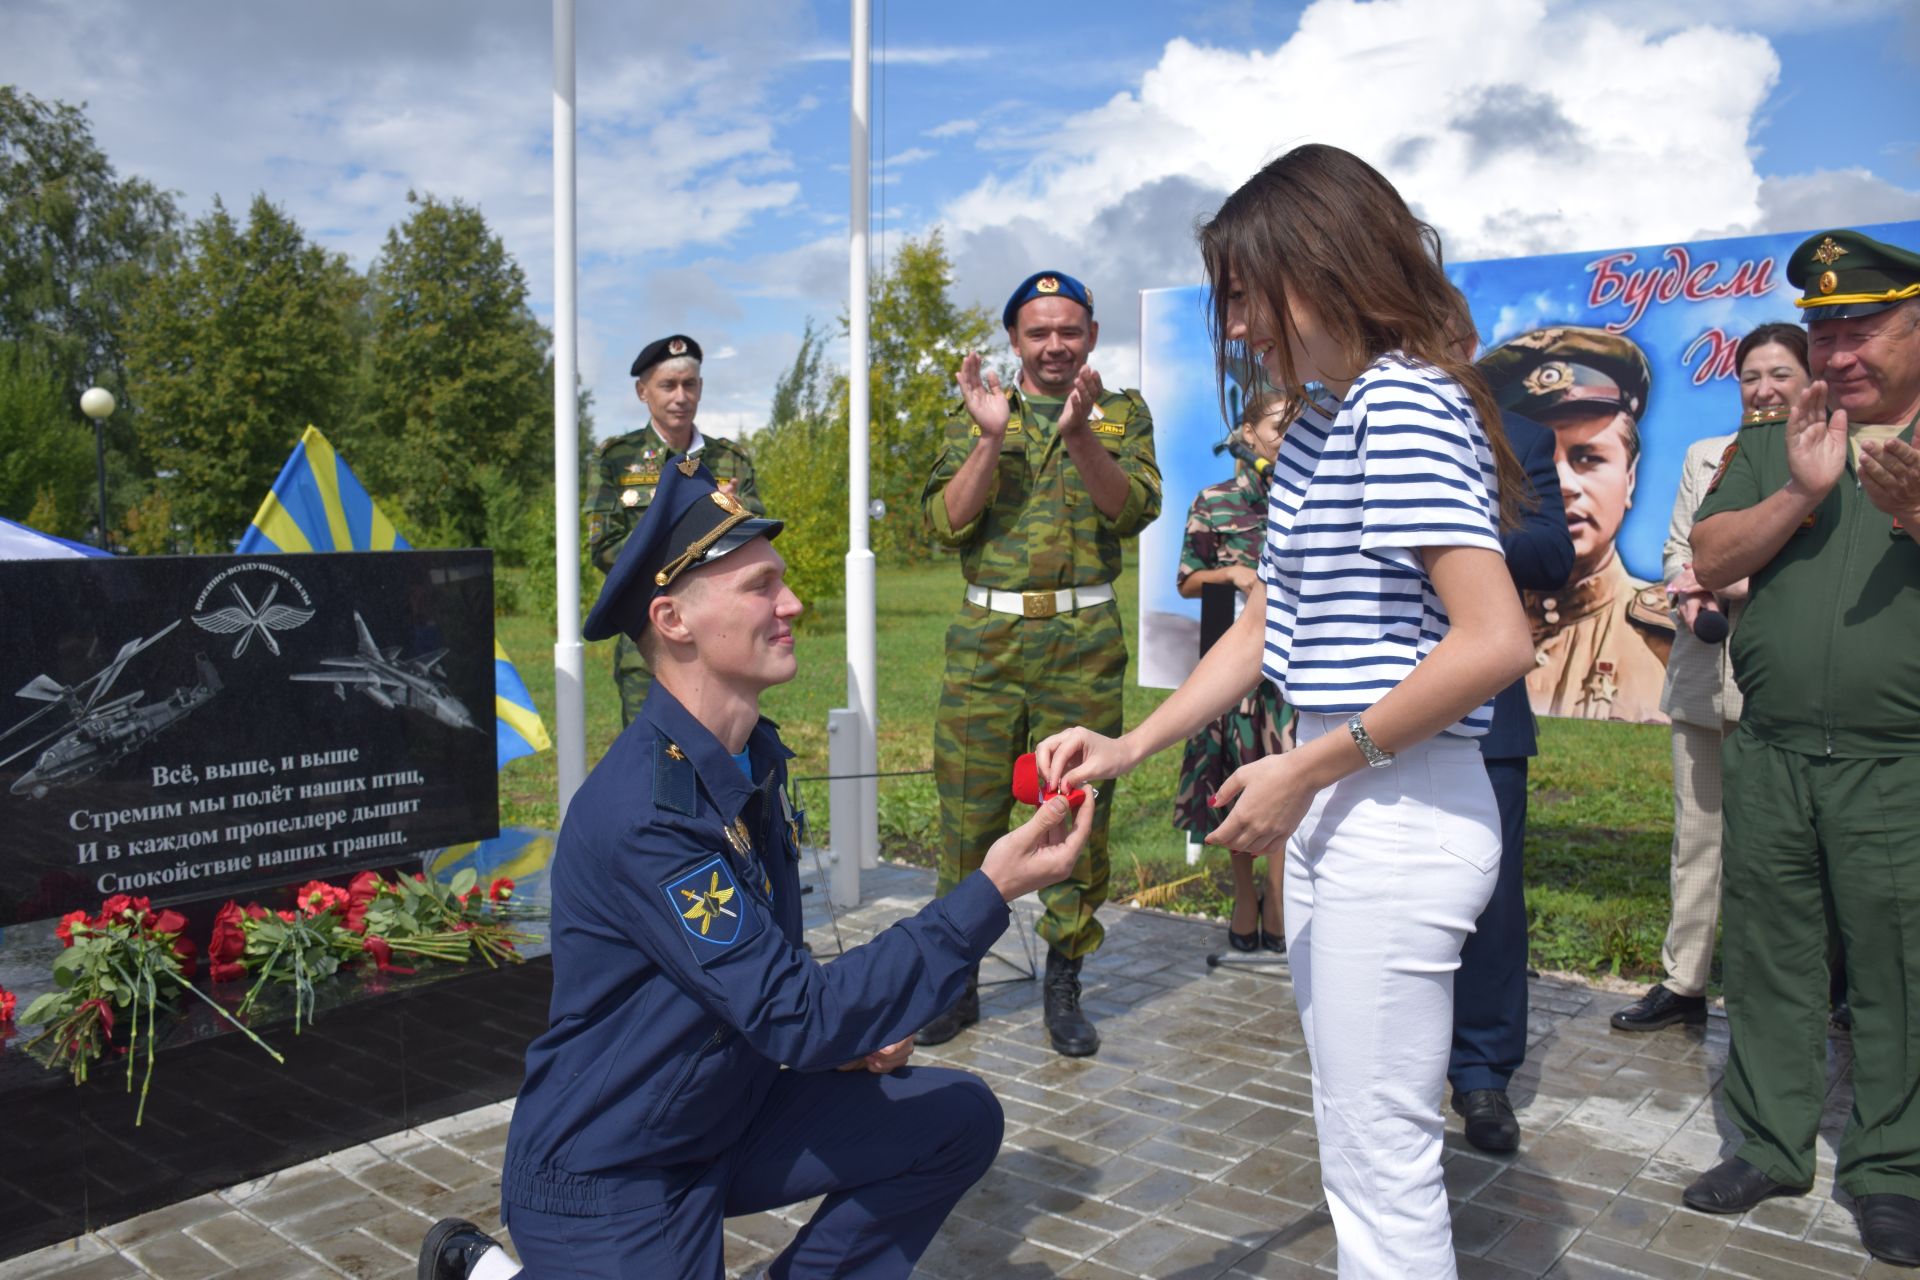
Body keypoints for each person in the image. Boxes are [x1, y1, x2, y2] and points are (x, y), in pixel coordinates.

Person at [1037, 143, 1535, 1278]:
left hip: (1394, 810)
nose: (1238, 327)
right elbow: (1270, 624)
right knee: (1356, 1143)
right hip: (1343, 801)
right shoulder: (1323, 419)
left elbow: (1494, 638)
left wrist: (1315, 766)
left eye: (1247, 296)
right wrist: (1130, 744)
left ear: (1319, 270)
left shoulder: (1401, 404)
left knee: (1382, 1160)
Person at [420, 462, 1095, 1280]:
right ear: (672, 619)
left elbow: (770, 984)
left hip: (725, 1113)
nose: (794, 606)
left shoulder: (750, 759)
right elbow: (794, 1013)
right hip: (615, 1168)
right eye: (761, 587)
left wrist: (857, 1034)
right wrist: (990, 891)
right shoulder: (647, 812)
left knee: (954, 1119)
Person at [1682, 228, 1920, 1268]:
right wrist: (1802, 492)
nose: (1838, 354)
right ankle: (1773, 1144)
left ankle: (1893, 1166)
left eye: (1863, 329)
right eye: (1825, 330)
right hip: (1772, 748)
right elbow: (1710, 551)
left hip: (1899, 761)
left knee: (1897, 969)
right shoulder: (1779, 436)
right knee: (1771, 958)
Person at [917, 269, 1161, 1057]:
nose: (1055, 345)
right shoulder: (977, 409)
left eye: (1070, 330)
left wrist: (1082, 432)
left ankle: (1064, 980)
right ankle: (956, 982)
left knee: (1076, 807)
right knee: (967, 811)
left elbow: (1132, 512)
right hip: (987, 645)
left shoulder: (1120, 412)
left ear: (1091, 333)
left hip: (1082, 643)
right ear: (1014, 339)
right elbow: (947, 524)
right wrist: (990, 437)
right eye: (1038, 332)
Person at [1610, 323, 1809, 1033]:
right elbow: (1676, 548)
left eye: (1781, 374)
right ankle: (1683, 982)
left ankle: (1799, 996)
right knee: (1697, 840)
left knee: (1790, 848)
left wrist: (1724, 573)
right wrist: (1689, 587)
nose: (1764, 389)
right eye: (1752, 376)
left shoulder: (1822, 464)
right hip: (1703, 672)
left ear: (1810, 381)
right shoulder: (1706, 456)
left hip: (1787, 682)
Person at [1448, 398, 1574, 1153]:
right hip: (1367, 707)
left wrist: (1440, 521)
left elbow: (1550, 553)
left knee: (1490, 903)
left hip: (1485, 715)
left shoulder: (1516, 436)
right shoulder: (1341, 423)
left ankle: (1482, 1073)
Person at [1481, 327, 1675, 721]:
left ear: (1630, 478)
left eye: (1588, 458)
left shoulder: (1668, 643)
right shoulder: (1463, 626)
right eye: (1536, 463)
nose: (1564, 485)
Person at [585, 334, 761, 727]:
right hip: (650, 638)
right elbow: (605, 546)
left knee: (725, 750)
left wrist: (728, 512)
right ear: (642, 391)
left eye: (690, 384)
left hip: (724, 633)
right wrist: (690, 533)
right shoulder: (616, 459)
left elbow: (756, 543)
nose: (681, 396)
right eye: (668, 385)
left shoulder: (730, 460)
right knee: (653, 763)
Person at [1174, 390, 1293, 953]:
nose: (1287, 431)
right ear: (1247, 433)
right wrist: (1234, 575)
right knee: (1233, 787)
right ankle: (1247, 899)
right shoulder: (1215, 501)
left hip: (1295, 677)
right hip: (1235, 670)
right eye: (1276, 423)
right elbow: (1188, 580)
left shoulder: (1312, 494)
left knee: (1288, 784)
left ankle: (1281, 900)